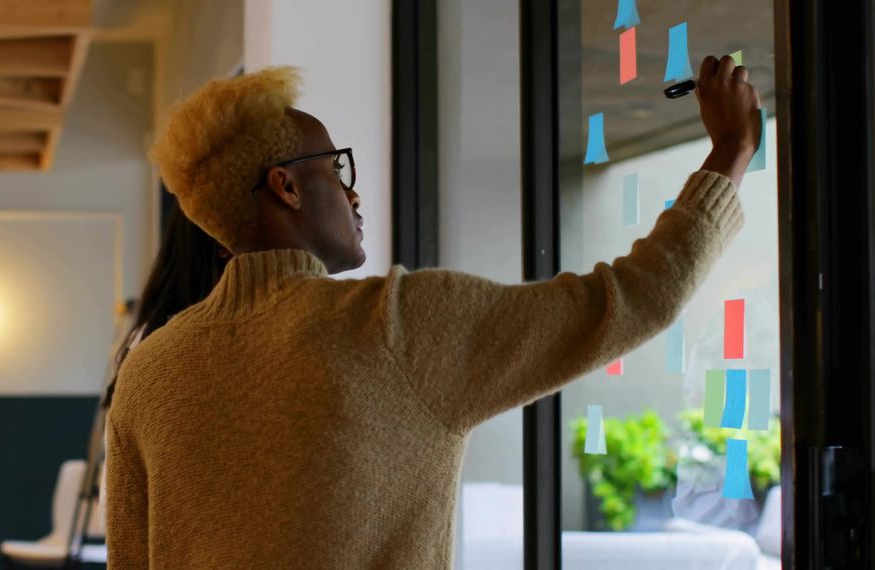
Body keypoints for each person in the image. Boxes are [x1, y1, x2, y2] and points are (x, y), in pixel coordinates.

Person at [104, 55, 759, 568]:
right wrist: (730, 150)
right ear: (287, 185)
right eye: (337, 169)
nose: (354, 194)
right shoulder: (392, 325)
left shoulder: (151, 370)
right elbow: (630, 298)